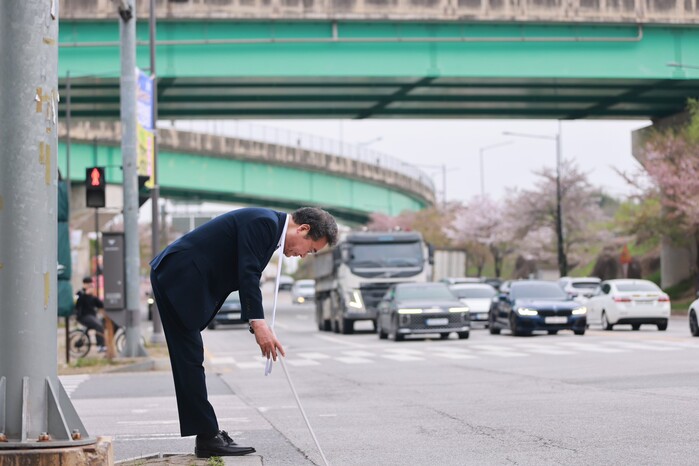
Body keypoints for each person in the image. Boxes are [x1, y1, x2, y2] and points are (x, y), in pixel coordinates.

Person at [149, 206, 338, 458]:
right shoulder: (264, 223)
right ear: (303, 229)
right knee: (189, 359)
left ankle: (207, 434)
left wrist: (258, 323)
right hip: (179, 275)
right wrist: (258, 324)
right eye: (310, 249)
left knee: (189, 359)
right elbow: (248, 272)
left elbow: (246, 272)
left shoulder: (269, 228)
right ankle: (207, 437)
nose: (303, 256)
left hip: (179, 275)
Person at [74, 277, 106, 352]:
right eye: (88, 284)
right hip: (83, 316)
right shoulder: (80, 293)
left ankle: (102, 343)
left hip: (92, 316)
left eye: (90, 284)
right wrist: (85, 294)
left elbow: (99, 304)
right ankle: (100, 346)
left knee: (101, 323)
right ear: (84, 284)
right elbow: (77, 304)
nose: (89, 286)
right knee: (98, 325)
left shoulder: (91, 295)